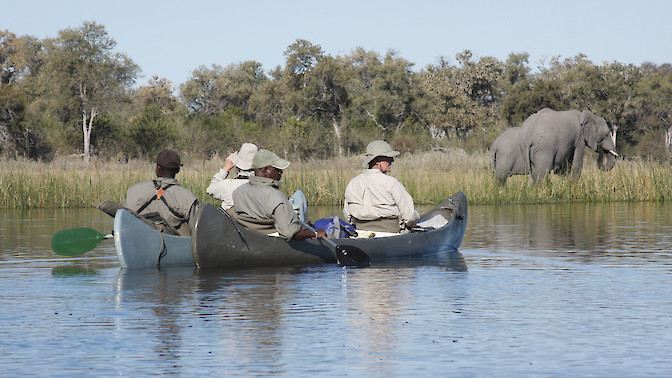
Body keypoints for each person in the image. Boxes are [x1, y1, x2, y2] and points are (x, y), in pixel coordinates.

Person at [231, 149, 326, 241]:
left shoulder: (238, 192)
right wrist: (316, 234)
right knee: (327, 236)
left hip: (252, 239)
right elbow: (289, 233)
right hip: (273, 243)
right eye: (277, 169)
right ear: (265, 170)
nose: (281, 172)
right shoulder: (276, 196)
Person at [343, 140, 419, 233]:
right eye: (388, 158)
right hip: (391, 232)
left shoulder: (353, 183)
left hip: (360, 233)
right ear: (377, 161)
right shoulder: (392, 183)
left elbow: (348, 216)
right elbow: (409, 216)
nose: (392, 161)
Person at [124, 149, 199, 236]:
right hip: (173, 243)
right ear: (177, 170)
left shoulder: (133, 190)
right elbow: (196, 230)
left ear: (158, 169)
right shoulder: (188, 197)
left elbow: (125, 221)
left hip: (138, 238)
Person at [206, 143, 258, 210]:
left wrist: (226, 168)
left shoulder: (227, 185)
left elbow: (210, 190)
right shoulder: (264, 189)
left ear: (237, 165)